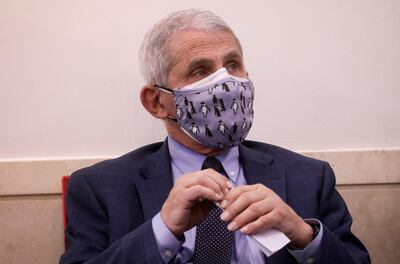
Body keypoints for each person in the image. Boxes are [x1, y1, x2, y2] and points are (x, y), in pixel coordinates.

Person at [59, 9, 370, 264]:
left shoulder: (310, 177)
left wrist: (303, 235)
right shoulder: (99, 187)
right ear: (156, 102)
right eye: (200, 70)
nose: (226, 82)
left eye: (233, 65)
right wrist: (162, 230)